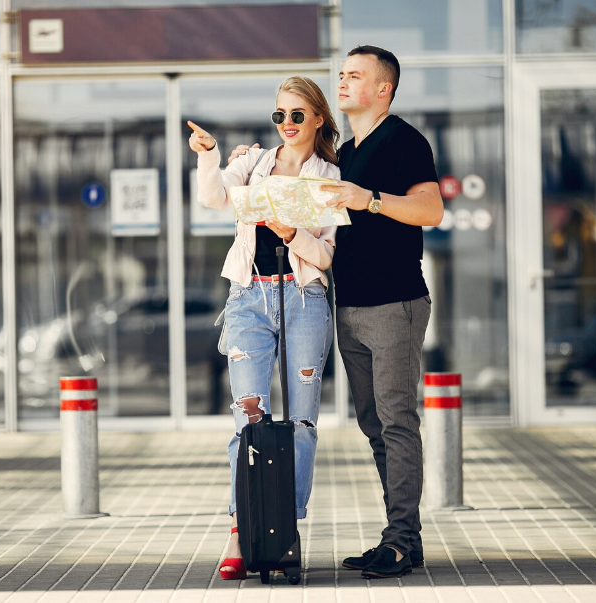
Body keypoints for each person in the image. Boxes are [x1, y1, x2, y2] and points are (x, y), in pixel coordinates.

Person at [187, 76, 340, 581]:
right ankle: (240, 529)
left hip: (303, 299)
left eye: (298, 115)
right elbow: (212, 199)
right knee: (247, 418)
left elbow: (326, 257)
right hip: (248, 299)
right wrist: (209, 154)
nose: (288, 125)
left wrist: (294, 233)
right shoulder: (252, 163)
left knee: (301, 423)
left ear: (318, 118)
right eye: (280, 116)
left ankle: (283, 532)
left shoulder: (329, 176)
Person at [322, 46, 444, 579]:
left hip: (394, 303)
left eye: (355, 76)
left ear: (383, 89)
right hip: (348, 306)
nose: (343, 82)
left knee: (397, 423)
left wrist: (368, 198)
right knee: (374, 424)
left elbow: (431, 210)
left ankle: (399, 541)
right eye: (342, 74)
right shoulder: (344, 151)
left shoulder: (404, 140)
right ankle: (403, 539)